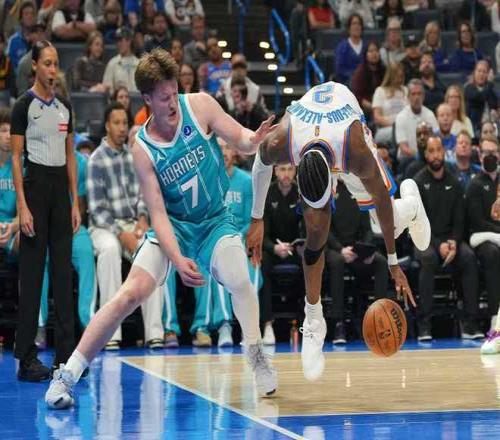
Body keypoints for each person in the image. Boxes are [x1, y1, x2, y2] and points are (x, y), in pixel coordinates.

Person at [45, 48, 277, 408]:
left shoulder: (199, 105)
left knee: (239, 277)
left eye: (175, 93)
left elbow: (242, 139)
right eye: (165, 97)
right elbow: (158, 214)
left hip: (214, 220)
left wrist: (256, 137)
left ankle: (256, 353)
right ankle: (67, 376)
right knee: (129, 294)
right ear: (148, 99)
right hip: (175, 227)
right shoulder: (142, 148)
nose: (173, 102)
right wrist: (177, 258)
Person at [247, 80, 430, 382]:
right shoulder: (282, 140)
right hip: (313, 128)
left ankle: (410, 204)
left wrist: (393, 261)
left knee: (384, 223)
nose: (325, 206)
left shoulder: (356, 151)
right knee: (315, 238)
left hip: (344, 121)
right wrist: (257, 218)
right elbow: (261, 161)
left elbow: (382, 202)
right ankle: (313, 319)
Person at [11, 40, 80, 381]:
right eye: (48, 63)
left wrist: (75, 201)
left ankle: (66, 356)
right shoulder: (23, 106)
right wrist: (22, 206)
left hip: (59, 194)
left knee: (63, 275)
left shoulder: (65, 107)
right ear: (35, 66)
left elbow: (70, 157)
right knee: (32, 276)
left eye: (56, 64)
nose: (53, 69)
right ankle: (26, 357)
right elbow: (15, 158)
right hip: (35, 188)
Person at [413, 136, 483, 341]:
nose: (436, 155)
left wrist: (454, 242)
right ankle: (425, 324)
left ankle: (470, 322)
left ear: (444, 152)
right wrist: (439, 245)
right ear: (426, 155)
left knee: (469, 257)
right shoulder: (418, 182)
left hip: (450, 240)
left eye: (439, 150)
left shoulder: (454, 182)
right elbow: (418, 222)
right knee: (428, 259)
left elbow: (460, 220)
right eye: (431, 151)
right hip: (425, 239)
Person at [325, 180, 388, 344]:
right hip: (333, 248)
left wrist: (365, 249)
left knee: (381, 261)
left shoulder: (360, 190)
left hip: (356, 248)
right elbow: (325, 228)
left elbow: (367, 229)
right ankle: (338, 323)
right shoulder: (328, 189)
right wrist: (340, 249)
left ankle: (379, 319)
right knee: (337, 262)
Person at [466, 136, 500, 355]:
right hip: (482, 239)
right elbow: (478, 222)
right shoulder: (475, 184)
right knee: (491, 253)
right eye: (486, 152)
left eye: (493, 152)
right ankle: (494, 321)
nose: (490, 156)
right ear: (479, 155)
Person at [394, 78, 438, 162]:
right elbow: (403, 147)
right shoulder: (401, 117)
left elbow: (436, 139)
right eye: (413, 94)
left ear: (423, 96)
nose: (416, 97)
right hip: (407, 159)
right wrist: (420, 156)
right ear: (408, 97)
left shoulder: (430, 115)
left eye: (419, 94)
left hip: (428, 158)